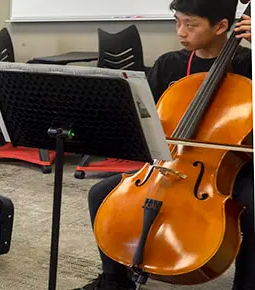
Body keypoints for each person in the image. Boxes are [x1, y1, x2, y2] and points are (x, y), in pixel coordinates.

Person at [79, 0, 253, 289]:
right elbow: (141, 115)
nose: (181, 32)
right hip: (169, 163)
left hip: (233, 167)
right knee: (100, 193)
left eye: (191, 24)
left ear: (222, 26)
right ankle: (114, 282)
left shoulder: (249, 65)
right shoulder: (169, 64)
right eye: (177, 22)